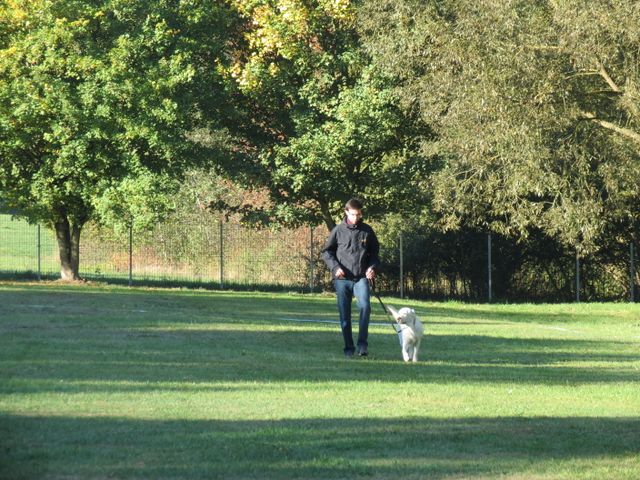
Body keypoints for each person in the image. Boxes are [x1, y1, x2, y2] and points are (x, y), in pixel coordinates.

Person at [321, 198, 380, 358]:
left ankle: (362, 345)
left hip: (361, 278)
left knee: (365, 307)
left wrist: (372, 267)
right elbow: (326, 252)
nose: (356, 217)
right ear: (346, 212)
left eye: (359, 214)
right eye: (353, 214)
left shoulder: (367, 230)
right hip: (342, 279)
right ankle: (348, 348)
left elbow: (374, 253)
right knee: (344, 315)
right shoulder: (338, 230)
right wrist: (335, 268)